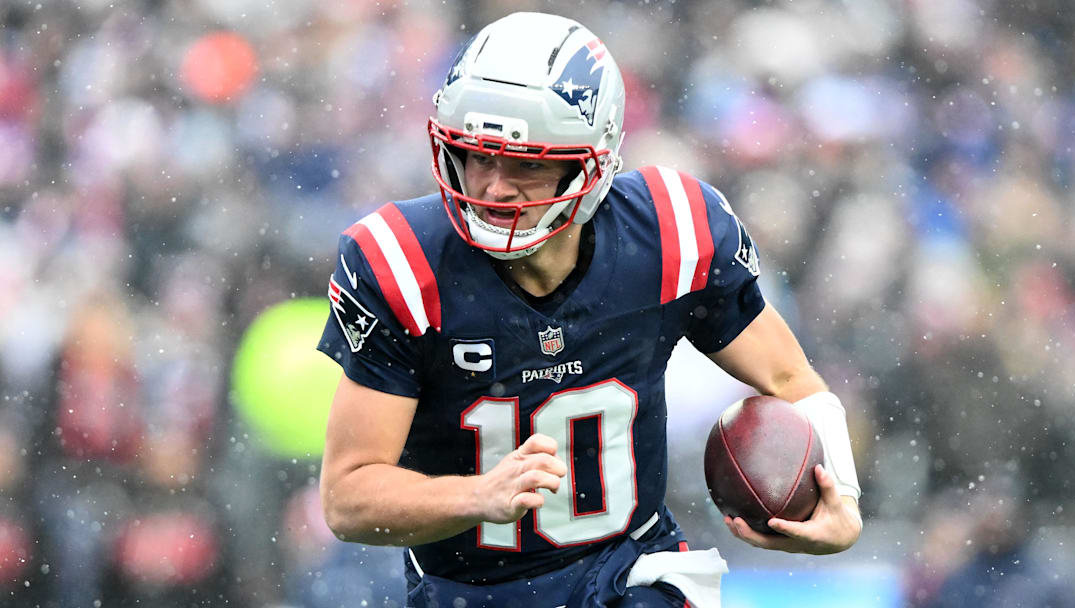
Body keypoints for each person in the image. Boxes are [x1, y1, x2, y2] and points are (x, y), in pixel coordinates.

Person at [317, 11, 862, 607]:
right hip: (469, 592)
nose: (495, 188)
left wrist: (845, 500)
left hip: (629, 572)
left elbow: (788, 377)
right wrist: (477, 497)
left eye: (526, 164)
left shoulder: (668, 233)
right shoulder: (404, 264)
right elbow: (348, 498)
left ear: (592, 162)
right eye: (478, 156)